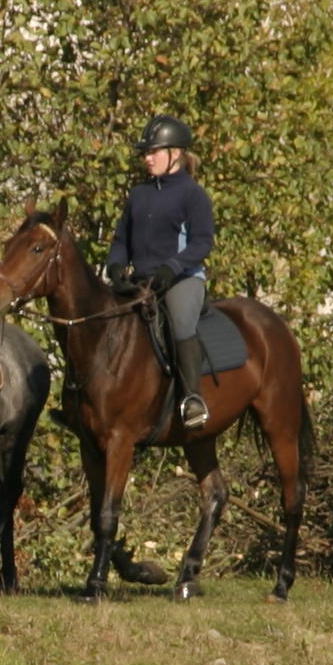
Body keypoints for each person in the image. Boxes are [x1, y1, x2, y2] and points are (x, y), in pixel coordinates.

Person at [105, 114, 216, 430]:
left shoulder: (192, 194)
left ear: (176, 154)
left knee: (181, 322)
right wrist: (115, 265)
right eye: (145, 153)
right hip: (141, 281)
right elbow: (121, 238)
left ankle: (192, 399)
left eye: (153, 152)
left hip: (181, 279)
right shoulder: (138, 194)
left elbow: (202, 242)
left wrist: (173, 267)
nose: (147, 158)